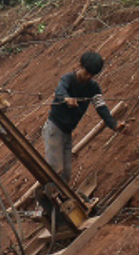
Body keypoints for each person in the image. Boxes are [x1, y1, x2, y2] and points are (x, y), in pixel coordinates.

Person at [42, 51, 130, 185]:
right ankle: (45, 204)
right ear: (80, 66)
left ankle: (59, 203)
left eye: (92, 75)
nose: (88, 77)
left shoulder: (93, 88)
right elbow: (60, 91)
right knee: (55, 170)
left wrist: (114, 125)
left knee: (65, 174)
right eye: (86, 72)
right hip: (54, 128)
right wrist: (67, 99)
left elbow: (101, 108)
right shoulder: (68, 79)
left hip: (67, 132)